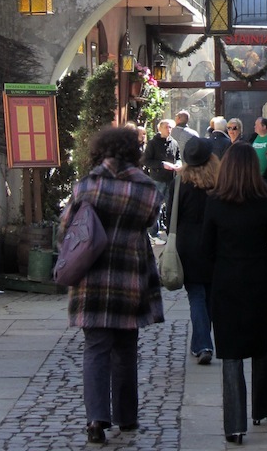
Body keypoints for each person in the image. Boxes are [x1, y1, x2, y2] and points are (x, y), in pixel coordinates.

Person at [57, 125, 164, 445]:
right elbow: (150, 224)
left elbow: (66, 231)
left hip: (92, 281)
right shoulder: (147, 190)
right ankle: (127, 417)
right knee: (126, 349)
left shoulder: (86, 186)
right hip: (129, 277)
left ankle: (96, 418)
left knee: (95, 349)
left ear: (100, 151)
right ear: (134, 152)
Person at [202, 142, 267, 444]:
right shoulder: (265, 202)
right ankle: (261, 408)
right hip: (258, 281)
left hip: (226, 282)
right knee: (260, 345)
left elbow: (205, 248)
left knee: (231, 352)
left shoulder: (214, 202)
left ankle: (234, 425)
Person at [167, 136, 219, 365]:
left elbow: (170, 218)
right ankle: (202, 341)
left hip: (188, 245)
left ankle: (202, 343)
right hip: (214, 243)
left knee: (196, 295)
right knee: (208, 295)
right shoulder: (218, 182)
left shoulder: (179, 184)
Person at [141, 119, 179, 241]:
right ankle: (153, 233)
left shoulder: (174, 142)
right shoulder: (153, 143)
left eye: (171, 127)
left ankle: (170, 233)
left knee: (170, 207)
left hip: (171, 179)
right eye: (167, 127)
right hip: (157, 179)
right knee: (155, 207)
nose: (169, 130)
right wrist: (161, 164)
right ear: (160, 128)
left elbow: (178, 157)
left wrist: (178, 164)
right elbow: (146, 161)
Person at [249, 117, 267, 194]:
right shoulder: (253, 137)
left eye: (256, 125)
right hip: (254, 176)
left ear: (264, 127)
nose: (254, 127)